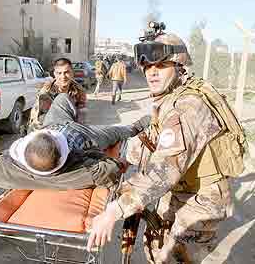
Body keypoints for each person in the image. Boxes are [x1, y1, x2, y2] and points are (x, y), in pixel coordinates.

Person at [86, 23, 245, 263]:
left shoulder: (187, 106)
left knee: (166, 257)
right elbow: (153, 136)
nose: (152, 72)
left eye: (161, 65)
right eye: (148, 66)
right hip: (181, 192)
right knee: (154, 244)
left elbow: (164, 170)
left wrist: (112, 212)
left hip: (198, 203)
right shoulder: (172, 97)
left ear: (179, 67)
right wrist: (122, 158)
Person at [0, 92, 150, 190]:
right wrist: (126, 159)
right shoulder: (77, 172)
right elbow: (112, 168)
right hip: (83, 135)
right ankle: (140, 125)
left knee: (62, 98)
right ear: (61, 162)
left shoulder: (1, 171)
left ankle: (67, 115)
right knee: (119, 131)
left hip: (51, 126)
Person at [27, 57, 86, 132]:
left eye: (66, 72)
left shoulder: (78, 90)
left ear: (72, 73)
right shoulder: (46, 93)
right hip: (44, 129)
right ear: (54, 74)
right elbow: (40, 121)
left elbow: (81, 116)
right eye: (59, 73)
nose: (63, 76)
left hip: (68, 127)